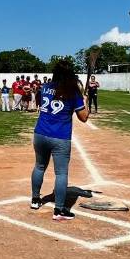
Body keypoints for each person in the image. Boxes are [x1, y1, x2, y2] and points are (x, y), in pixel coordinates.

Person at [30, 60, 90, 220]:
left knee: (39, 166)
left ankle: (35, 200)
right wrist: (85, 100)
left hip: (40, 134)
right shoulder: (73, 92)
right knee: (61, 173)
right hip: (60, 137)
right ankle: (59, 209)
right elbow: (84, 117)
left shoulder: (45, 87)